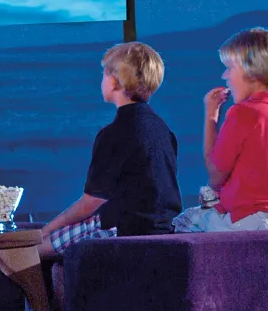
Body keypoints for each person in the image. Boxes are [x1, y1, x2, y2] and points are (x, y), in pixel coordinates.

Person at [39, 42, 182, 256]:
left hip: (124, 228)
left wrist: (46, 230)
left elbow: (91, 202)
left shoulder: (114, 133)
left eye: (104, 74)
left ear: (115, 81)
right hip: (160, 226)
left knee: (32, 251)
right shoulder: (163, 130)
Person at [173, 27, 268, 231]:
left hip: (251, 222)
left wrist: (211, 116)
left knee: (184, 223)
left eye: (229, 67)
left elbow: (215, 176)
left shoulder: (244, 113)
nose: (224, 75)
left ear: (251, 70)